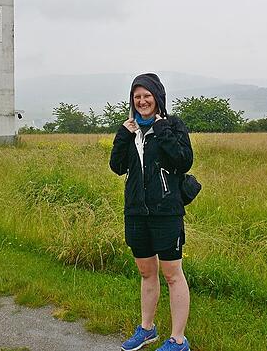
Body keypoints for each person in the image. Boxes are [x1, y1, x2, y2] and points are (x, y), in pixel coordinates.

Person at [109, 73, 194, 351]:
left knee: (172, 273)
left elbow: (183, 161)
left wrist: (162, 132)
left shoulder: (172, 125)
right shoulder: (130, 129)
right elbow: (117, 166)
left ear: (157, 98)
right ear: (132, 101)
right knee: (147, 273)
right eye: (137, 97)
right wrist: (124, 134)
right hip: (136, 213)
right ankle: (147, 329)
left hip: (166, 212)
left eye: (147, 96)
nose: (142, 101)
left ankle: (178, 340)